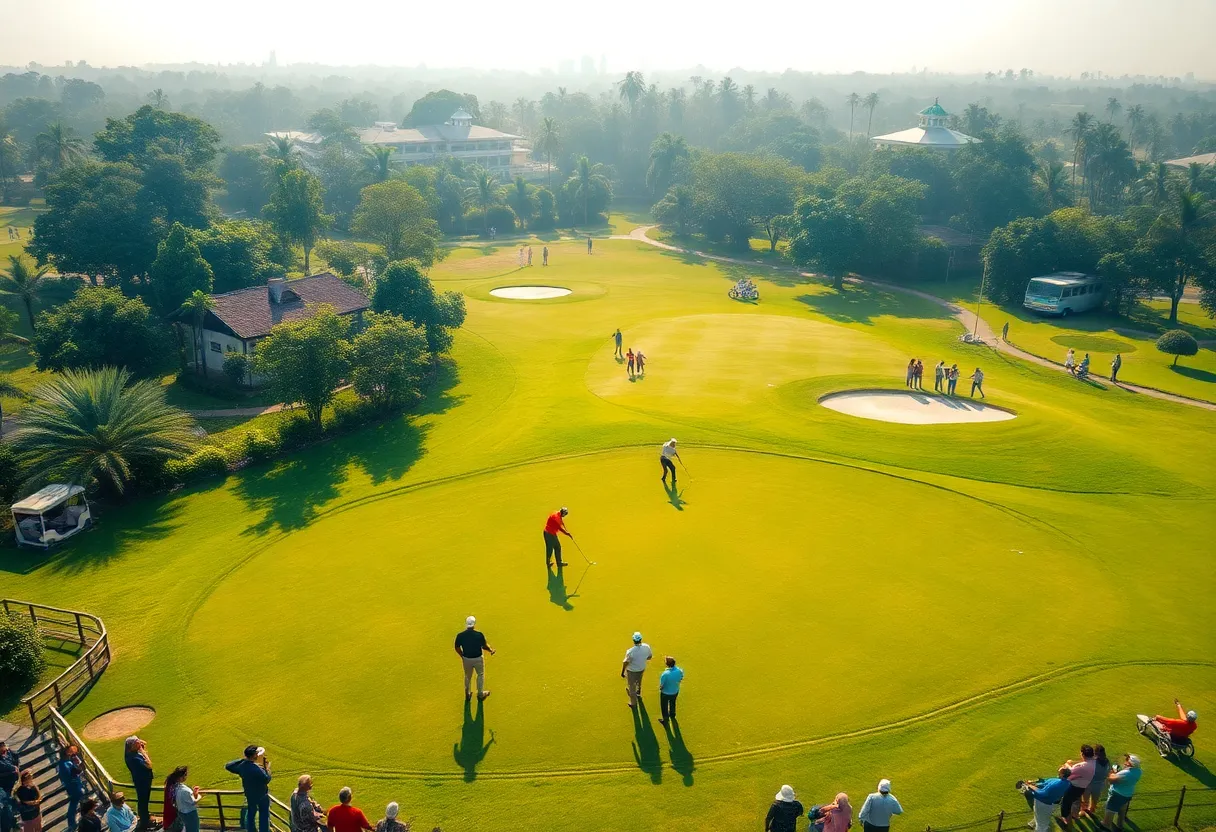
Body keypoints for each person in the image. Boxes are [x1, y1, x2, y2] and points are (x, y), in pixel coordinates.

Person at [224, 745, 272, 832]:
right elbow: (266, 779)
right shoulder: (256, 769)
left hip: (250, 794)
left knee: (250, 814)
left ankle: (250, 830)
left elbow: (228, 766)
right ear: (254, 755)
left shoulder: (242, 766)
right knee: (264, 815)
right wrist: (267, 769)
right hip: (261, 795)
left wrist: (244, 760)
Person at [455, 615, 495, 701]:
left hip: (466, 659)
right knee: (480, 675)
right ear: (474, 624)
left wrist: (462, 656)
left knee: (467, 676)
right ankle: (480, 694)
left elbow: (457, 647)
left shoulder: (460, 636)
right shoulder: (479, 635)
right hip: (478, 659)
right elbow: (484, 646)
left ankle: (467, 694)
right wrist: (490, 650)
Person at [1019, 767, 1071, 832]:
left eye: (1059, 772)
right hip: (1050, 802)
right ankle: (1034, 823)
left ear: (1062, 774)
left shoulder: (1056, 784)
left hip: (1043, 803)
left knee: (1042, 825)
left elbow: (1042, 793)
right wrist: (1033, 783)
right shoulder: (1066, 783)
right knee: (1040, 816)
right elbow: (1045, 782)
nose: (1058, 772)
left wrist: (1030, 786)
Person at [1103, 754, 1142, 831]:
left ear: (1131, 764)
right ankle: (1120, 826)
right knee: (1122, 812)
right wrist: (1118, 772)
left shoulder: (1125, 773)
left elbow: (1111, 780)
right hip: (1127, 795)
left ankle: (1105, 824)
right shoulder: (1139, 771)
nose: (1125, 763)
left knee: (1110, 810)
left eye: (1127, 761)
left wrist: (1112, 772)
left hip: (1117, 795)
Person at [124, 736, 155, 830]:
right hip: (142, 782)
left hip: (141, 780)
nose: (139, 744)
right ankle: (145, 821)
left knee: (143, 801)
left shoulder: (130, 752)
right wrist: (143, 752)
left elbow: (144, 742)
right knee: (143, 801)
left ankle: (145, 817)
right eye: (136, 743)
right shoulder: (133, 758)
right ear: (132, 746)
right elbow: (149, 765)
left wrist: (139, 744)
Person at [1061, 744, 1096, 823]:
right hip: (1082, 787)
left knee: (1066, 804)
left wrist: (1067, 764)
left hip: (1073, 787)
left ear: (1083, 754)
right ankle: (1075, 815)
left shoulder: (1081, 766)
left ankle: (1067, 821)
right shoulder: (1094, 762)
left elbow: (1069, 772)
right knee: (1076, 801)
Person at [620, 632, 653, 709]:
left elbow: (625, 662)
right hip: (641, 668)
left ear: (633, 640)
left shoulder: (630, 651)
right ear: (641, 639)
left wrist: (622, 672)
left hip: (632, 671)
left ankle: (633, 703)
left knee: (631, 686)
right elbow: (649, 657)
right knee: (639, 681)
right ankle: (638, 693)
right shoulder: (646, 647)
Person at [57, 746, 85, 832]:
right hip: (74, 787)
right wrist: (79, 767)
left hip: (74, 786)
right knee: (73, 805)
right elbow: (73, 775)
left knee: (76, 803)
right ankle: (72, 824)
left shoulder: (64, 762)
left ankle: (76, 821)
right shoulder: (65, 764)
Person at [1080, 744, 1111, 817]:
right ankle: (1091, 810)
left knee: (1085, 799)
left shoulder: (1093, 761)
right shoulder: (1106, 761)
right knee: (1095, 799)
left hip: (1089, 783)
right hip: (1099, 784)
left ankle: (1083, 811)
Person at [658, 656, 683, 727]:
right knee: (673, 703)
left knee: (664, 706)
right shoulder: (680, 670)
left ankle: (665, 720)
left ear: (667, 664)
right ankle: (672, 714)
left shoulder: (665, 674)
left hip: (666, 693)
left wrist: (660, 688)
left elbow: (662, 685)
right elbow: (681, 678)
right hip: (675, 691)